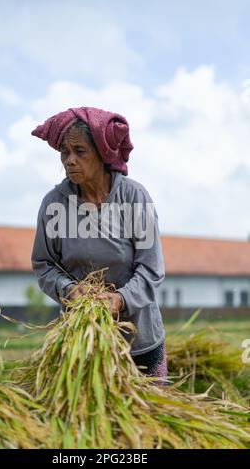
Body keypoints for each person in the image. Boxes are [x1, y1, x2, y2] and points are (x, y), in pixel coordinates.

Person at [31, 106, 167, 383]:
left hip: (139, 340)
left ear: (102, 155)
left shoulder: (134, 197)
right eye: (64, 152)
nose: (69, 160)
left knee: (150, 421)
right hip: (83, 343)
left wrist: (119, 299)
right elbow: (44, 265)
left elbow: (152, 269)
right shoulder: (54, 204)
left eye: (79, 151)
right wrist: (69, 290)